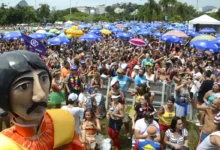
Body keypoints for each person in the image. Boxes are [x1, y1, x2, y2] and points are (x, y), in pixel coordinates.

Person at [0, 50, 84, 149]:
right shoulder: (5, 146)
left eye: (43, 79)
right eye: (24, 86)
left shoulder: (63, 123)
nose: (40, 95)